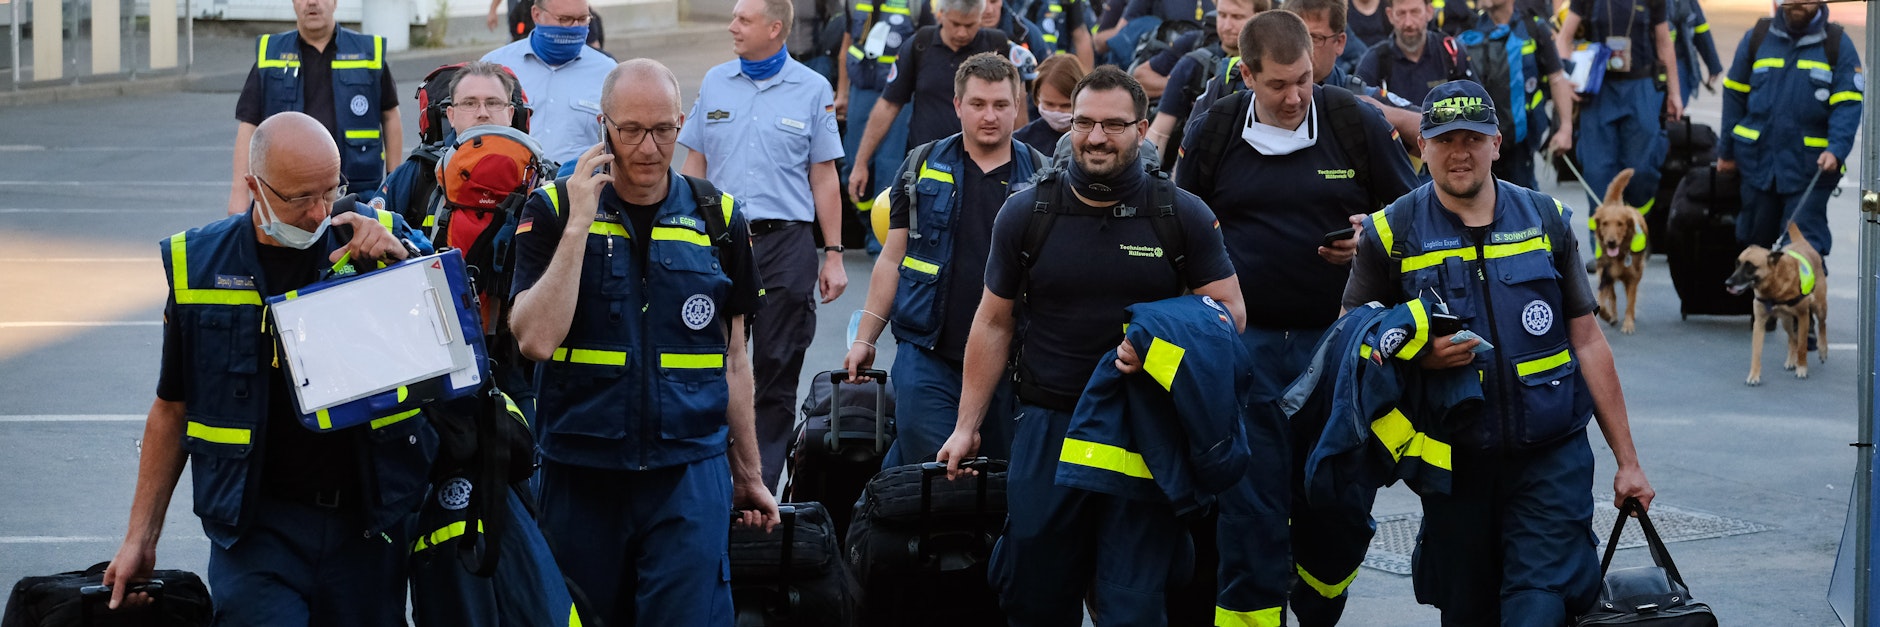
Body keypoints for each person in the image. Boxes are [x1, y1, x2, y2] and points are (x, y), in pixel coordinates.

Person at [934, 66, 1246, 626]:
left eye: (1113, 125)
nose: (1096, 137)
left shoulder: (1180, 214)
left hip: (1141, 430)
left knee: (1131, 604)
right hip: (1049, 427)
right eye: (1084, 123)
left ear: (1143, 128)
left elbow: (1230, 313)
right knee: (1034, 593)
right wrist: (966, 425)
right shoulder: (1028, 212)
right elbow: (994, 321)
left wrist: (1158, 335)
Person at [1343, 80, 1654, 624]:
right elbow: (1350, 342)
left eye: (1473, 138)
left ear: (1497, 143)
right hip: (1452, 465)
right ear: (1422, 147)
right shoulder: (1391, 232)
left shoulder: (1546, 218)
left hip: (1550, 459)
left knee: (1538, 605)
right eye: (1444, 140)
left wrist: (1628, 462)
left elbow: (1587, 340)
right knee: (1468, 612)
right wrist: (1419, 355)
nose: (1459, 152)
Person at [106, 112, 433, 625]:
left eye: (332, 189)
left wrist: (402, 267)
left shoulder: (378, 239)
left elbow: (454, 356)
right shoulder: (202, 264)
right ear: (255, 187)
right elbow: (172, 408)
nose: (320, 211)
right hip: (257, 532)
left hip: (368, 531)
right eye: (301, 198)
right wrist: (139, 539)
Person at [507, 59, 781, 626]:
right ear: (603, 127)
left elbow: (735, 362)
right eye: (630, 130)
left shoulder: (719, 218)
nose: (649, 147)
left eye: (663, 129)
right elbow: (533, 338)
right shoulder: (554, 211)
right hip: (581, 472)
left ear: (683, 123)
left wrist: (749, 475)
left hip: (687, 474)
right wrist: (580, 224)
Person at [1174, 11, 1416, 624]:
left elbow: (1415, 217)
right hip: (1244, 349)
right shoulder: (1216, 129)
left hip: (1336, 348)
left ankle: (1320, 598)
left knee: (1336, 501)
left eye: (1304, 79)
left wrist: (1371, 237)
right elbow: (1178, 229)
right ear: (1247, 74)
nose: (1295, 96)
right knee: (1250, 510)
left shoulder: (1353, 121)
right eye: (1278, 84)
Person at [843, 53, 1047, 468]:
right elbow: (891, 260)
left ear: (1017, 105)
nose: (989, 116)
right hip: (928, 356)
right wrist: (866, 339)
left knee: (998, 478)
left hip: (1010, 365)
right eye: (977, 104)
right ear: (957, 106)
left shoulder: (1045, 179)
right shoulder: (920, 165)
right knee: (936, 470)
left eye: (1000, 105)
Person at [678, 0, 849, 490]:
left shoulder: (812, 89)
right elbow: (695, 166)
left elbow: (823, 176)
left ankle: (758, 487)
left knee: (775, 371)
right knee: (709, 362)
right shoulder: (714, 82)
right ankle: (710, 478)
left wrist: (833, 255)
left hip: (785, 244)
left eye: (743, 19)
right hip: (719, 242)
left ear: (775, 28)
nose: (732, 26)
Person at [230, 0, 401, 215]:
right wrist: (239, 191)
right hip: (288, 194)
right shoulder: (271, 55)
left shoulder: (368, 53)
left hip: (358, 194)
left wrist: (394, 185)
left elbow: (390, 116)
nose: (312, 2)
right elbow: (249, 124)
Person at [1719, 0, 1862, 258]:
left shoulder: (1836, 43)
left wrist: (1836, 150)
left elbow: (1847, 104)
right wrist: (1726, 153)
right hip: (1757, 167)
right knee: (1754, 252)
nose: (1795, 2)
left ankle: (1805, 298)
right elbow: (1734, 96)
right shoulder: (1758, 37)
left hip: (1809, 171)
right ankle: (1759, 300)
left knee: (1800, 251)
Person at [846, 0, 1012, 205]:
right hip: (928, 171)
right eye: (955, 24)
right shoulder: (919, 45)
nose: (962, 33)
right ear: (940, 15)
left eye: (969, 26)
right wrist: (861, 162)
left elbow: (1014, 107)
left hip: (984, 171)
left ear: (980, 18)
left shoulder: (996, 46)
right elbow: (888, 105)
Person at [1557, 0, 1679, 221]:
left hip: (1640, 87)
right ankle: (1603, 250)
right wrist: (1566, 77)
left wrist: (1674, 93)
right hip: (1599, 91)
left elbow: (1664, 43)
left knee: (1641, 169)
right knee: (1597, 171)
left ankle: (1637, 229)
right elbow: (1564, 38)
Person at [377, 62, 525, 227]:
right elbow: (372, 231)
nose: (482, 113)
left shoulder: (536, 175)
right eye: (469, 103)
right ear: (451, 116)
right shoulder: (417, 173)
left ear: (510, 114)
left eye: (493, 103)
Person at [482, 0, 617, 174]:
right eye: (565, 19)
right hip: (509, 189)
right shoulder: (495, 66)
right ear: (536, 14)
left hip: (581, 192)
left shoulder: (608, 71)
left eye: (583, 19)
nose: (575, 27)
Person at [1456, 0, 1574, 188]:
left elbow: (1557, 78)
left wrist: (1565, 128)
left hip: (1521, 141)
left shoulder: (1533, 28)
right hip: (1477, 137)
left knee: (1522, 202)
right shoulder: (1469, 28)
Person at [1143, 0, 1262, 165]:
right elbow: (1159, 133)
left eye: (1237, 17)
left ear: (1260, 18)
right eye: (1222, 15)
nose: (1227, 25)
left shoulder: (1272, 66)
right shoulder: (1194, 62)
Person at [1356, 0, 1473, 107]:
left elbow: (1478, 103)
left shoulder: (1451, 52)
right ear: (1390, 15)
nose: (1408, 23)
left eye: (1415, 12)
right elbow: (1359, 112)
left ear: (1429, 12)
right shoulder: (1375, 61)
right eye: (1401, 13)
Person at [1014, 54, 1086, 156]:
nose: (1057, 111)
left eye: (1066, 106)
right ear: (1038, 97)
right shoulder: (1021, 142)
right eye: (1049, 104)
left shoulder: (1094, 139)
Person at [1667, 0, 1722, 107]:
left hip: (1679, 62)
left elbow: (1700, 27)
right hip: (1649, 66)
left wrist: (1713, 64)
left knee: (1674, 112)